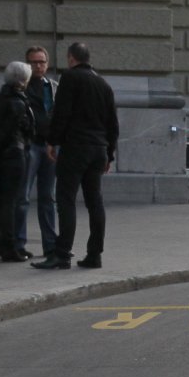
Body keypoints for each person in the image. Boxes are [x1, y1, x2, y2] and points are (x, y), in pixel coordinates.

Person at [38, 41, 118, 270]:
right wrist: (109, 154)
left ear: (71, 58)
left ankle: (62, 254)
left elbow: (62, 112)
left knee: (66, 200)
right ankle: (95, 255)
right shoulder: (103, 84)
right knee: (95, 202)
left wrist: (52, 140)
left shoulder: (70, 77)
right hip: (98, 149)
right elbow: (113, 124)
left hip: (75, 147)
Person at [0, 61, 34, 262]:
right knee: (9, 202)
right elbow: (9, 133)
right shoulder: (18, 103)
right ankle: (9, 248)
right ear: (23, 80)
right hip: (13, 155)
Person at [15, 45, 57, 260]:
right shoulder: (21, 87)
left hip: (50, 146)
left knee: (48, 198)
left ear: (47, 64)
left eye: (42, 62)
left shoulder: (53, 87)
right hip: (30, 146)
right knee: (22, 197)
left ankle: (50, 245)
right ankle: (18, 244)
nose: (38, 66)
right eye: (34, 62)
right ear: (27, 64)